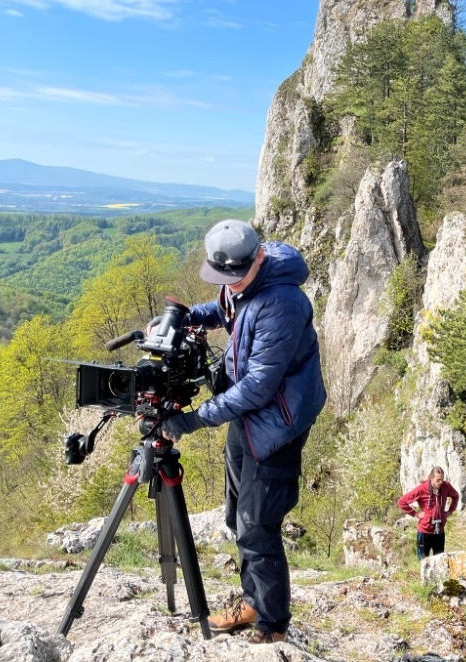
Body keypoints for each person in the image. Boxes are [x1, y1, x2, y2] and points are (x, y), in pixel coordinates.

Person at [158, 219, 326, 645]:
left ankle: (271, 623)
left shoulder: (283, 303)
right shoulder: (244, 283)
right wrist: (190, 316)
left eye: (234, 277)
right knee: (237, 513)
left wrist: (194, 419)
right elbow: (226, 309)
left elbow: (259, 385)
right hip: (248, 419)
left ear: (258, 259)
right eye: (223, 278)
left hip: (276, 423)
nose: (229, 285)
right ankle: (254, 597)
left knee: (257, 524)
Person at [397, 466, 460, 558]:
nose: (441, 482)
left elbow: (455, 496)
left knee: (439, 560)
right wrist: (415, 514)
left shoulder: (446, 486)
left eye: (442, 479)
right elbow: (402, 502)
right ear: (431, 478)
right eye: (438, 480)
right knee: (423, 561)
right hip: (424, 532)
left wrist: (450, 511)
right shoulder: (422, 489)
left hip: (439, 531)